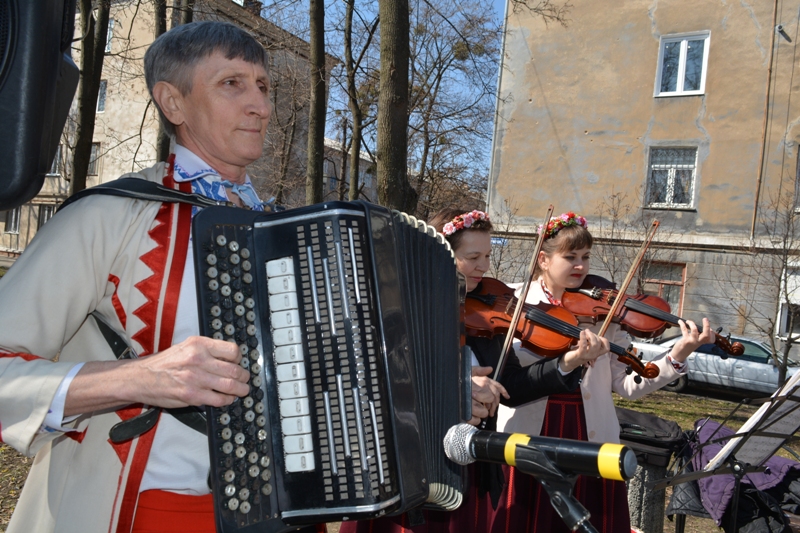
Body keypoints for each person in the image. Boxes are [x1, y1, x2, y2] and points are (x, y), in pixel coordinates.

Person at [0, 21, 306, 533]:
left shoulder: (292, 232)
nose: (260, 105)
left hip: (286, 514)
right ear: (173, 102)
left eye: (262, 85)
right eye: (232, 83)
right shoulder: (108, 215)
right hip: (142, 513)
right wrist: (140, 378)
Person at [339, 208, 609, 533]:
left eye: (488, 255)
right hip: (406, 469)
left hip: (468, 471)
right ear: (438, 254)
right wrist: (458, 387)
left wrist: (569, 361)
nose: (484, 266)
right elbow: (376, 383)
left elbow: (511, 387)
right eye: (473, 257)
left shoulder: (487, 317)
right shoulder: (396, 308)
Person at [494, 212, 715, 533]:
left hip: (589, 430)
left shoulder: (604, 312)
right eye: (570, 257)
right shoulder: (515, 301)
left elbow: (629, 385)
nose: (580, 266)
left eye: (585, 257)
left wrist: (678, 353)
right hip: (532, 428)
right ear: (543, 259)